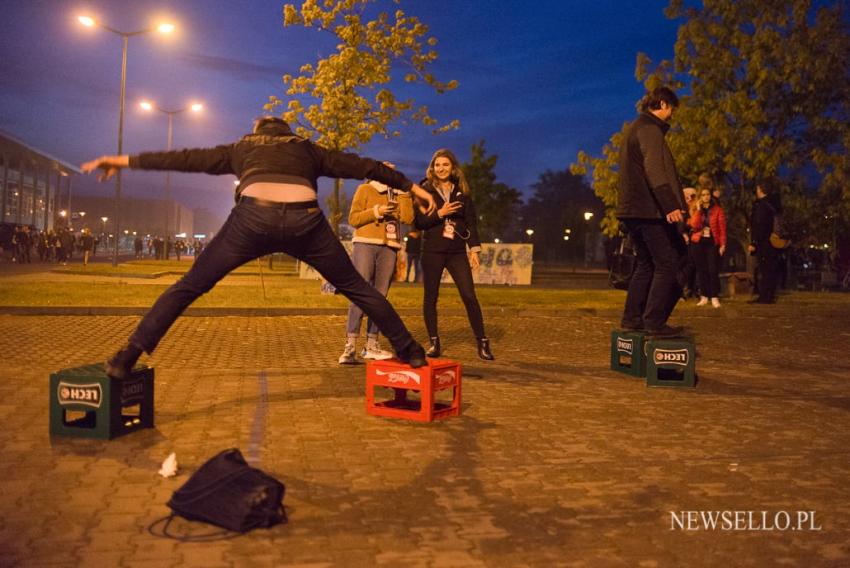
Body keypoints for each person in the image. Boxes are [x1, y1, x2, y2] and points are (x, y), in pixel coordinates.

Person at [81, 116, 436, 379]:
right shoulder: (308, 149)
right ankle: (412, 352)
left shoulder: (242, 148)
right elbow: (362, 165)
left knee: (189, 286)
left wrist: (123, 160)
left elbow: (184, 159)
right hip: (306, 221)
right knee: (357, 288)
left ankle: (126, 358)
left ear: (257, 131)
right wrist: (409, 186)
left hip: (252, 220)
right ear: (288, 134)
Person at [616, 86, 687, 336]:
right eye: (671, 110)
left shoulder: (634, 129)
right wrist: (670, 205)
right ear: (664, 104)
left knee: (645, 265)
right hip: (648, 211)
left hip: (632, 210)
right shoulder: (650, 130)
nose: (671, 116)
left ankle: (631, 318)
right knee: (666, 263)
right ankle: (654, 322)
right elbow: (654, 169)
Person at [414, 149, 494, 361]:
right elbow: (418, 223)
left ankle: (483, 342)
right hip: (432, 251)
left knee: (469, 295)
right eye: (437, 165)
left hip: (457, 251)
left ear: (453, 168)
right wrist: (440, 213)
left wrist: (474, 250)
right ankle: (434, 341)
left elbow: (471, 221)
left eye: (445, 165)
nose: (441, 169)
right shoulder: (424, 190)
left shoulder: (462, 191)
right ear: (432, 168)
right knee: (431, 298)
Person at [339, 166, 414, 364]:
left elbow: (408, 218)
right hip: (365, 243)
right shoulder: (365, 189)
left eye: (394, 171)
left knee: (381, 297)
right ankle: (350, 346)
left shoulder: (399, 194)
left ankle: (371, 345)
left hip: (390, 247)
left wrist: (404, 193)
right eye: (385, 170)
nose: (389, 174)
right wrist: (377, 211)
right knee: (360, 292)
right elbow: (353, 219)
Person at [689, 187, 727, 307]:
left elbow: (722, 229)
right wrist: (699, 210)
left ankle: (714, 296)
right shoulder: (695, 209)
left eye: (708, 194)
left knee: (712, 269)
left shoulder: (717, 210)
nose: (706, 197)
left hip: (711, 243)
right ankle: (704, 296)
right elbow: (694, 226)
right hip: (698, 242)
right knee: (701, 270)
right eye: (703, 195)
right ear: (700, 197)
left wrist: (723, 244)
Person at [748, 176, 782, 304]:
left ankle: (765, 296)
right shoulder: (774, 204)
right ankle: (769, 294)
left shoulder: (762, 205)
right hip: (774, 240)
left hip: (765, 242)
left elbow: (759, 225)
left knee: (764, 269)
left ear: (760, 189)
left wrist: (754, 242)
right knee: (771, 269)